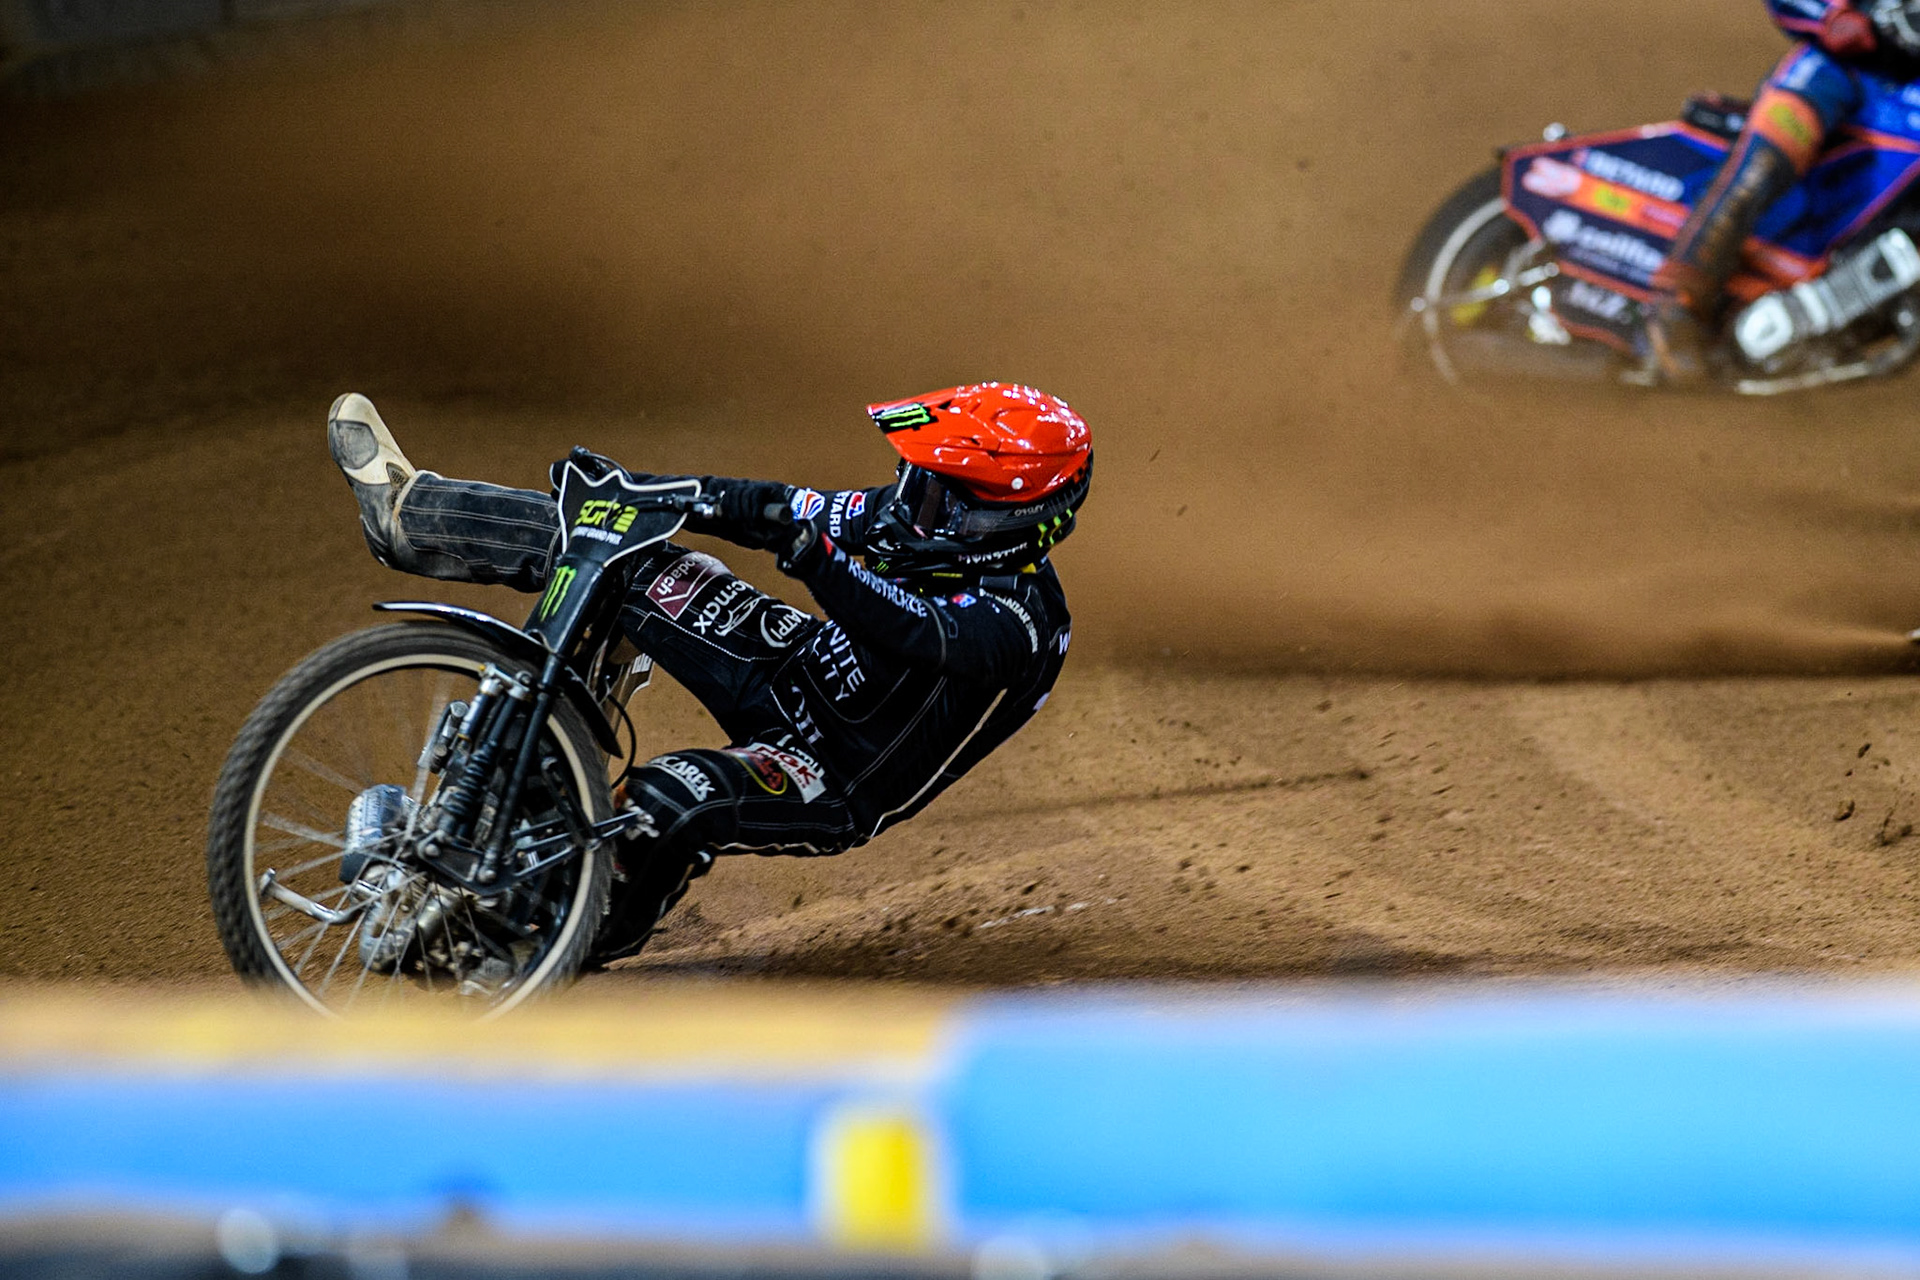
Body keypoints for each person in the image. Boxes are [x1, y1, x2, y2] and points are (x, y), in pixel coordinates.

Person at [325, 384, 1091, 963]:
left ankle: (539, 940)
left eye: (939, 496)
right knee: (623, 540)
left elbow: (910, 628)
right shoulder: (918, 518)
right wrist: (644, 491)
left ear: (1012, 521)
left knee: (669, 802)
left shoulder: (1019, 624)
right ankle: (413, 516)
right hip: (795, 667)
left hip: (831, 776)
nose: (908, 504)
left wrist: (816, 558)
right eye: (914, 478)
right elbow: (778, 507)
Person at [1647, 0, 1920, 381]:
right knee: (1762, 166)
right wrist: (1834, 17)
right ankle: (1676, 307)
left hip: (1908, 85)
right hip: (1833, 69)